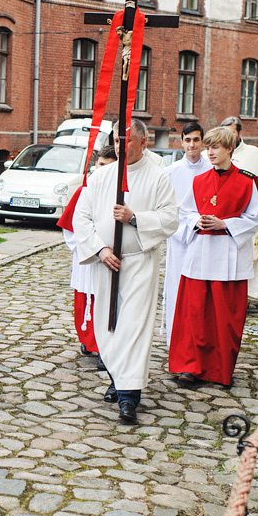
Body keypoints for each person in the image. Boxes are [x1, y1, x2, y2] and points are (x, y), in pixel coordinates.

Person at [72, 125, 179, 424]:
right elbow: (81, 216)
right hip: (106, 261)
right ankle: (117, 378)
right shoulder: (102, 176)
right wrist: (99, 249)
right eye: (117, 140)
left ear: (143, 142)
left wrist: (135, 218)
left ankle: (129, 398)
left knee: (133, 325)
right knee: (110, 326)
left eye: (127, 139)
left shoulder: (158, 176)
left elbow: (171, 218)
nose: (120, 145)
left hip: (139, 260)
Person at [169, 127, 258, 386]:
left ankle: (219, 371)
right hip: (200, 256)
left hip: (228, 258)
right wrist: (197, 221)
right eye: (208, 147)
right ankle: (191, 366)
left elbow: (255, 218)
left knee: (224, 318)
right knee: (195, 315)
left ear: (229, 149)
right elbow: (184, 213)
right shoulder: (198, 181)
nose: (209, 152)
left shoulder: (246, 181)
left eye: (215, 147)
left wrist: (225, 225)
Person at [62, 144, 117, 369]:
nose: (102, 169)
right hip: (87, 256)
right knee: (85, 301)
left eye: (108, 166)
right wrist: (88, 248)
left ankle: (105, 347)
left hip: (110, 256)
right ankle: (88, 341)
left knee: (106, 301)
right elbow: (70, 226)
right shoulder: (83, 190)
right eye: (100, 164)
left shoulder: (120, 192)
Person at [220, 116, 258, 301]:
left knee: (247, 254)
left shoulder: (255, 155)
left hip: (246, 215)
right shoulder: (214, 153)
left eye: (231, 133)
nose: (228, 137)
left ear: (240, 133)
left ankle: (249, 294)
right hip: (223, 215)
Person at [162, 123, 212, 345]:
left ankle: (200, 340)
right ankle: (177, 339)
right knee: (177, 288)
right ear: (181, 142)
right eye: (188, 140)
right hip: (179, 237)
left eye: (196, 140)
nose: (192, 144)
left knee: (202, 293)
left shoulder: (212, 169)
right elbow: (165, 208)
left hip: (207, 237)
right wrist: (185, 228)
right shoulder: (170, 172)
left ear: (202, 142)